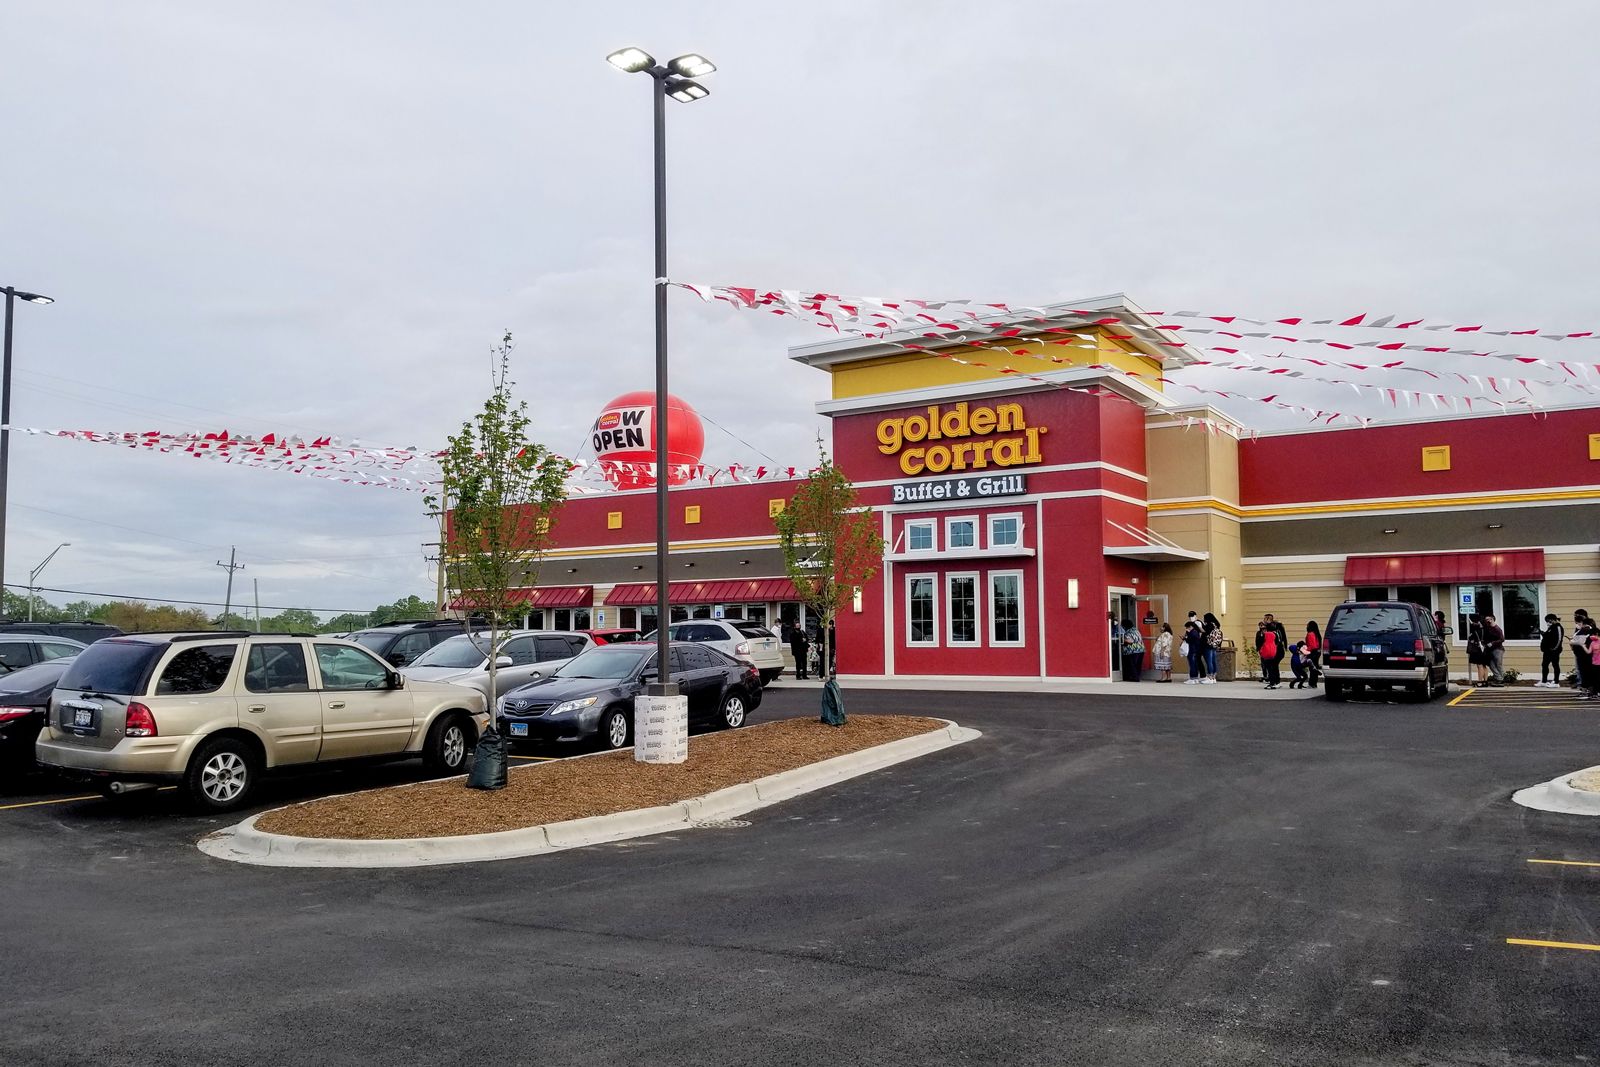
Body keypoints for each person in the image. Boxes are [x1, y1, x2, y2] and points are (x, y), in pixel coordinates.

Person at [1256, 615, 1284, 689]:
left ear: (1269, 620)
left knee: (1271, 667)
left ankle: (1274, 682)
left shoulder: (1270, 633)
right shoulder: (1276, 631)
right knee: (1274, 666)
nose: (1264, 620)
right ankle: (1276, 682)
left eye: (1265, 619)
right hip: (1276, 652)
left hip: (1274, 652)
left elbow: (1262, 641)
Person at [1537, 613, 1565, 688]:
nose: (1548, 623)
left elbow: (1559, 639)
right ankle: (1544, 681)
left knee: (1555, 665)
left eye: (1549, 621)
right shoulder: (1551, 627)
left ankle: (1556, 682)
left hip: (1554, 650)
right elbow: (1548, 636)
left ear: (1552, 620)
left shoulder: (1558, 627)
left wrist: (1554, 648)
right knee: (1544, 665)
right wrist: (1542, 633)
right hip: (1547, 650)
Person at [1482, 613, 1506, 686]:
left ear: (1492, 619)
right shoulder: (1488, 628)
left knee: (1498, 664)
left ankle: (1501, 679)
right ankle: (1498, 678)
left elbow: (1502, 639)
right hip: (1490, 650)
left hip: (1498, 649)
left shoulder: (1497, 629)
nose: (1487, 621)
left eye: (1488, 619)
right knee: (1491, 664)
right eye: (1486, 620)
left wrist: (1492, 643)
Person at [1202, 612, 1223, 685]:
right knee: (1214, 661)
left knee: (1209, 661)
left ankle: (1210, 677)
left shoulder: (1209, 625)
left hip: (1208, 645)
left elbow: (1205, 633)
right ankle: (1214, 677)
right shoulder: (1216, 625)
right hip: (1214, 645)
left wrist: (1200, 628)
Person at [1466, 614, 1488, 685]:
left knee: (1479, 665)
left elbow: (1471, 638)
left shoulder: (1476, 631)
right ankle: (1485, 681)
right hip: (1485, 648)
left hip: (1478, 649)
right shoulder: (1486, 630)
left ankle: (1480, 682)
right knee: (1484, 665)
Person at [1183, 619, 1206, 684]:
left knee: (1192, 665)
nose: (1186, 629)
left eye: (1187, 627)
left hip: (1192, 650)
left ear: (1190, 626)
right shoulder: (1196, 632)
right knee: (1195, 664)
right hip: (1196, 650)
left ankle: (1192, 678)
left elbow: (1190, 640)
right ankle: (1195, 678)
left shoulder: (1193, 633)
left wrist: (1185, 638)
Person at [1303, 620, 1323, 689]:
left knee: (1312, 669)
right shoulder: (1317, 634)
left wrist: (1305, 650)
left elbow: (1312, 646)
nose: (1306, 627)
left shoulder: (1310, 634)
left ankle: (1311, 684)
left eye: (1307, 625)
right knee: (1314, 668)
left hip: (1313, 652)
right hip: (1317, 652)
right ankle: (1314, 683)